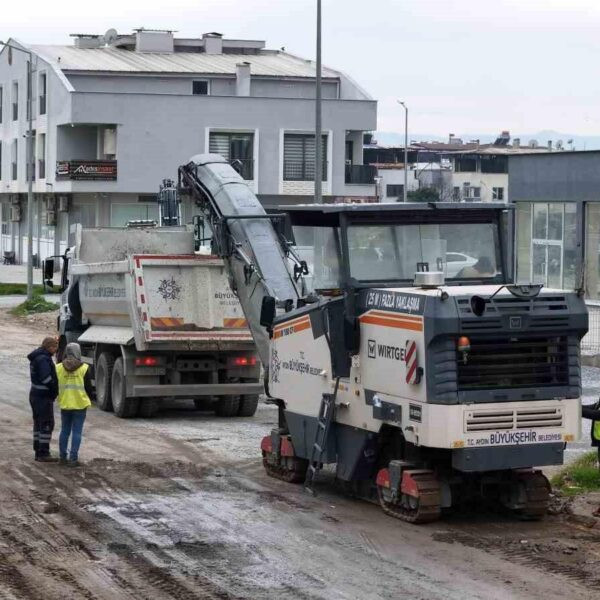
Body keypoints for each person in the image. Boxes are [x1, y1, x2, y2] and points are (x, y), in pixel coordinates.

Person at [56, 343, 92, 466]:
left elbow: (55, 386)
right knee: (77, 432)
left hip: (65, 404)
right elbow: (88, 388)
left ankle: (62, 457)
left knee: (64, 431)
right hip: (80, 404)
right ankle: (73, 459)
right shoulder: (84, 368)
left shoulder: (59, 367)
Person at [27, 337, 59, 462]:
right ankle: (43, 453)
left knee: (38, 423)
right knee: (46, 424)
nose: (56, 351)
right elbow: (46, 378)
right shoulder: (43, 359)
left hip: (36, 395)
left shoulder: (38, 357)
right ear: (50, 347)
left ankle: (38, 450)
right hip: (43, 397)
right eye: (55, 347)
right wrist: (54, 391)